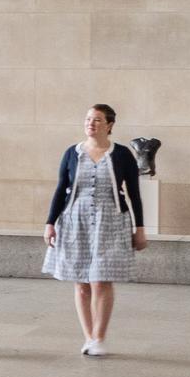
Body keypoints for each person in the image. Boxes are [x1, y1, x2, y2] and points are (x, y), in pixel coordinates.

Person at [41, 101, 148, 356]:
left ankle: (100, 337)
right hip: (75, 219)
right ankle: (88, 337)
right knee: (81, 282)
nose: (91, 123)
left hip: (110, 219)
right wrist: (50, 223)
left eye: (97, 119)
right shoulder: (72, 153)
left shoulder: (121, 154)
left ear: (109, 125)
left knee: (101, 279)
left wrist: (140, 228)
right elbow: (61, 189)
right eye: (88, 119)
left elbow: (133, 193)